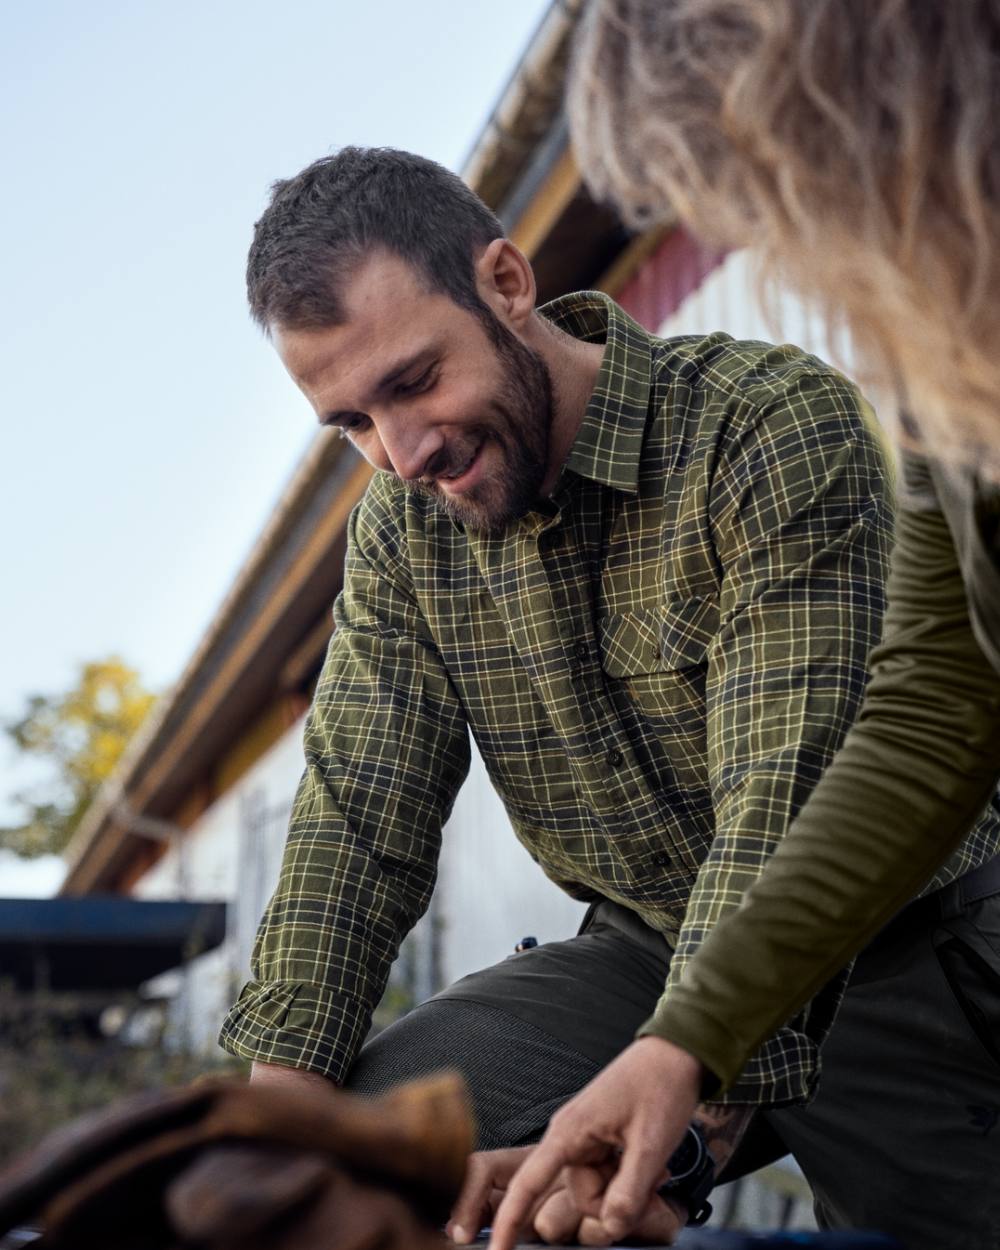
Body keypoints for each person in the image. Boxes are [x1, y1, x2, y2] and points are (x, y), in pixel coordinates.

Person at [215, 146, 991, 1250]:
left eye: (412, 380)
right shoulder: (401, 531)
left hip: (890, 944)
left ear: (507, 284)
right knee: (352, 1162)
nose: (404, 451)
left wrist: (681, 1129)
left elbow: (789, 793)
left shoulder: (762, 428)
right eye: (350, 423)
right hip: (639, 944)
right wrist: (277, 1114)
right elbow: (357, 817)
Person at [489, 3, 1000, 1248]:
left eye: (782, 190)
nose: (788, 252)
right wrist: (685, 1043)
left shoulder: (764, 425)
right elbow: (934, 704)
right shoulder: (943, 374)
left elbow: (792, 760)